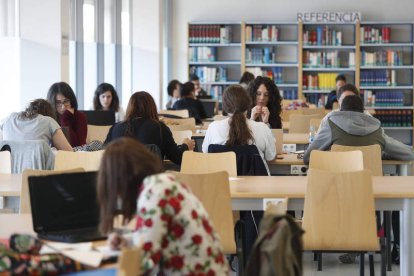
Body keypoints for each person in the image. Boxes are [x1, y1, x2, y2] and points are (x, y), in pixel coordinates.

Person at [97, 137, 229, 275]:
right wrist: (128, 242)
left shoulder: (154, 192)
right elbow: (155, 237)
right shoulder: (164, 182)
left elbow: (145, 263)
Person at [304, 95, 414, 164]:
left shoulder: (331, 124)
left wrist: (331, 153)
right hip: (371, 187)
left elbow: (308, 157)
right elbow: (409, 154)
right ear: (363, 111)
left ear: (340, 111)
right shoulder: (377, 130)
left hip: (336, 184)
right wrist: (379, 154)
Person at [202, 85, 276, 175]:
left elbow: (206, 154)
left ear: (225, 106)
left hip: (222, 185)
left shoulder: (213, 127)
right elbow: (271, 157)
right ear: (248, 104)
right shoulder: (262, 128)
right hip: (256, 187)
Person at [105, 91, 195, 165]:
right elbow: (178, 158)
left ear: (130, 107)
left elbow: (102, 156)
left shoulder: (115, 128)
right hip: (151, 183)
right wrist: (186, 146)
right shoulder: (160, 128)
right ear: (152, 107)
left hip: (119, 184)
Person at [0, 99, 72, 151]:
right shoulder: (48, 121)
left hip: (7, 170)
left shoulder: (8, 119)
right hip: (35, 171)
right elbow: (68, 152)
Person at [47, 82, 87, 147]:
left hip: (75, 155)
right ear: (52, 103)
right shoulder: (48, 118)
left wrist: (64, 119)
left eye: (66, 101)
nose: (63, 107)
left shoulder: (79, 116)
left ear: (71, 100)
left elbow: (79, 145)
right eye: (58, 103)